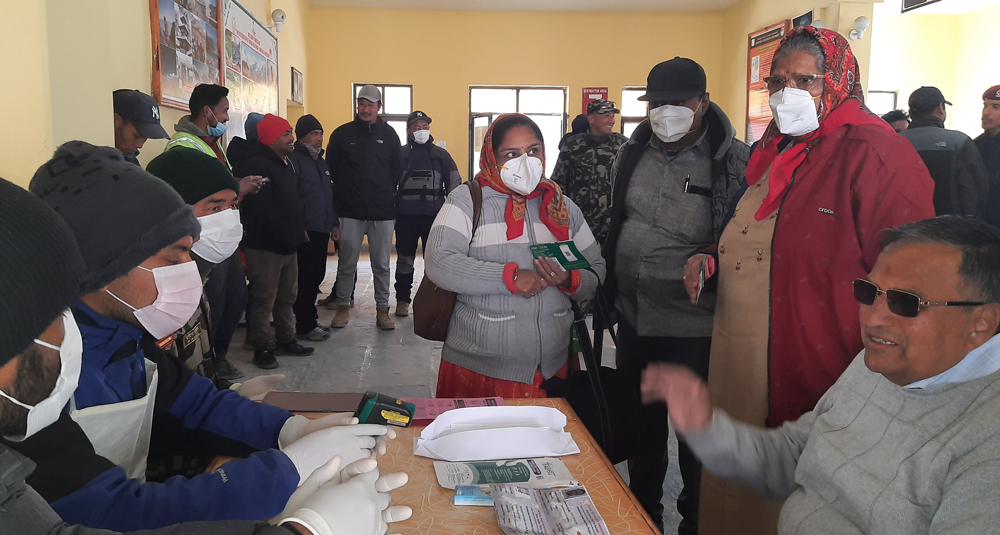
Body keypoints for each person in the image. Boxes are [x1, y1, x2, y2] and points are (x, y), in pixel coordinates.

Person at [12, 141, 394, 531]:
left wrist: (290, 429)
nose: (187, 271)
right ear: (106, 264)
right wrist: (285, 474)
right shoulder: (32, 373)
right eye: (172, 258)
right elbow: (112, 509)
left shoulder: (128, 339)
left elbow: (200, 405)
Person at [680, 27, 935, 535]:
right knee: (736, 473)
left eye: (806, 80)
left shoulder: (874, 153)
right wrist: (713, 257)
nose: (787, 93)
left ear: (837, 81)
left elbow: (914, 280)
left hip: (815, 356)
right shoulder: (776, 148)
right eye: (777, 82)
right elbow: (765, 233)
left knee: (795, 492)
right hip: (741, 353)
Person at [648, 216, 1000, 534]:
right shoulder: (881, 362)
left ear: (982, 321)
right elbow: (797, 456)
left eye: (905, 302)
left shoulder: (986, 445)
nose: (873, 318)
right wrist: (705, 427)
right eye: (869, 292)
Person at [600, 57, 748, 534]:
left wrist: (710, 256)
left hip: (692, 328)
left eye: (677, 102)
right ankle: (645, 518)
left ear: (703, 102)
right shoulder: (631, 153)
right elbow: (617, 220)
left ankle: (694, 525)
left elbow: (745, 238)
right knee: (641, 433)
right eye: (656, 103)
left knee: (693, 439)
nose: (665, 112)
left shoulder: (733, 161)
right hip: (634, 320)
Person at [425, 113, 606, 398]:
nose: (525, 161)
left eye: (533, 151)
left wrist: (570, 279)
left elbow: (596, 269)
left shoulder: (562, 206)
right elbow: (440, 261)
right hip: (482, 369)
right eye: (511, 154)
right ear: (492, 157)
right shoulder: (467, 201)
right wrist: (508, 277)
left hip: (555, 368)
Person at [146, 148, 244, 386]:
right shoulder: (149, 294)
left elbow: (196, 366)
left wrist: (222, 392)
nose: (228, 219)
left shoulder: (195, 279)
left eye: (233, 206)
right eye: (214, 208)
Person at [234, 114, 315, 369]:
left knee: (286, 297)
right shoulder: (257, 165)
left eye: (291, 132)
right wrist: (286, 234)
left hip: (288, 243)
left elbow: (291, 201)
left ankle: (286, 339)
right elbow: (262, 211)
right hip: (265, 246)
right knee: (264, 299)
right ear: (270, 138)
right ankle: (263, 347)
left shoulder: (285, 161)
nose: (292, 138)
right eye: (286, 134)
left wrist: (298, 230)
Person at [326, 85, 403, 330]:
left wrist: (382, 192)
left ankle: (383, 311)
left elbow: (396, 171)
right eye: (361, 104)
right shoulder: (342, 134)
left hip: (382, 212)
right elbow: (332, 170)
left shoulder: (389, 135)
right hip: (350, 212)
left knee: (382, 265)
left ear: (379, 107)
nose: (365, 109)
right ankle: (342, 308)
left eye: (370, 105)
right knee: (346, 263)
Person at [393, 110, 462, 317]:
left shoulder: (441, 155)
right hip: (406, 218)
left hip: (434, 218)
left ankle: (432, 301)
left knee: (433, 261)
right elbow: (388, 184)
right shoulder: (400, 155)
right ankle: (402, 300)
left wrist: (452, 213)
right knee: (405, 260)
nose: (422, 130)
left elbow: (454, 184)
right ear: (409, 131)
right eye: (417, 127)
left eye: (425, 127)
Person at [900, 86, 989, 217]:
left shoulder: (893, 142)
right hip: (948, 226)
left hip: (903, 225)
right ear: (940, 108)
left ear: (910, 112)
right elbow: (975, 191)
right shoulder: (959, 142)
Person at [550, 99, 629, 247]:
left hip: (613, 224)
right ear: (591, 118)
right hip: (581, 221)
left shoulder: (623, 145)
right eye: (606, 115)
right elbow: (558, 183)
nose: (611, 120)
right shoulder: (572, 145)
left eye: (613, 116)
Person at [289, 114, 340, 341]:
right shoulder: (295, 161)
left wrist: (334, 224)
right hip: (306, 230)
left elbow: (328, 196)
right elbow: (292, 197)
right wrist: (299, 226)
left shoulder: (321, 162)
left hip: (322, 227)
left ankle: (310, 319)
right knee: (306, 279)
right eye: (313, 134)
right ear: (301, 137)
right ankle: (304, 325)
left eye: (320, 134)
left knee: (317, 276)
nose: (319, 138)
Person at [112, 89, 169, 165]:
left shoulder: (131, 162)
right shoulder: (96, 161)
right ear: (116, 120)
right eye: (137, 136)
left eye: (146, 137)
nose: (140, 145)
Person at [976, 85, 1000, 228]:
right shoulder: (975, 145)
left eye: (995, 107)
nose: (986, 112)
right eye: (985, 106)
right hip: (981, 222)